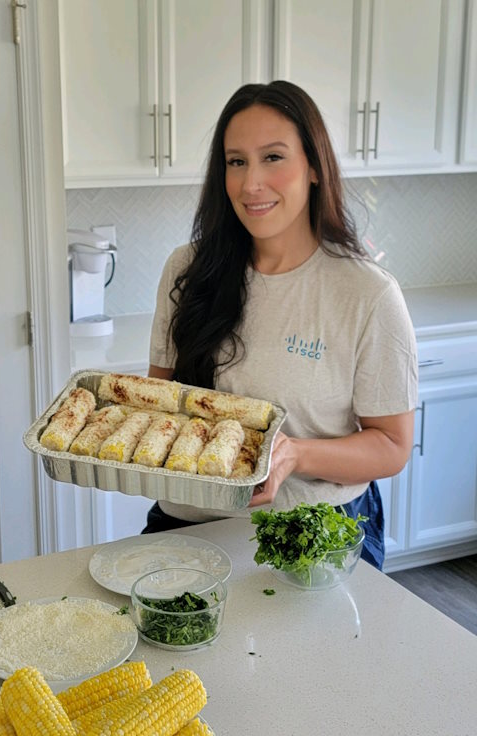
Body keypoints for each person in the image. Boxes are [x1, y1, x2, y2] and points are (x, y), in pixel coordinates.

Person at [142, 81, 418, 570]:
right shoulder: (187, 269)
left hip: (312, 527)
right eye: (236, 161)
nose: (251, 184)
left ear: (313, 167)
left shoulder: (367, 294)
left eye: (273, 157)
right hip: (192, 523)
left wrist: (295, 455)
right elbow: (159, 403)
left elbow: (392, 447)